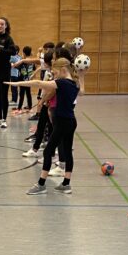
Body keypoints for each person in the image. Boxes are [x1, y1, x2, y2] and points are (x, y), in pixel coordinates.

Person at [25, 56, 81, 195]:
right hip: (70, 121)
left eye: (55, 73)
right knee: (67, 151)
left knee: (48, 151)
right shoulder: (75, 83)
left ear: (63, 70)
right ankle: (66, 184)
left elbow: (39, 83)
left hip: (62, 123)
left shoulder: (62, 82)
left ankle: (41, 184)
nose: (54, 75)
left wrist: (17, 83)